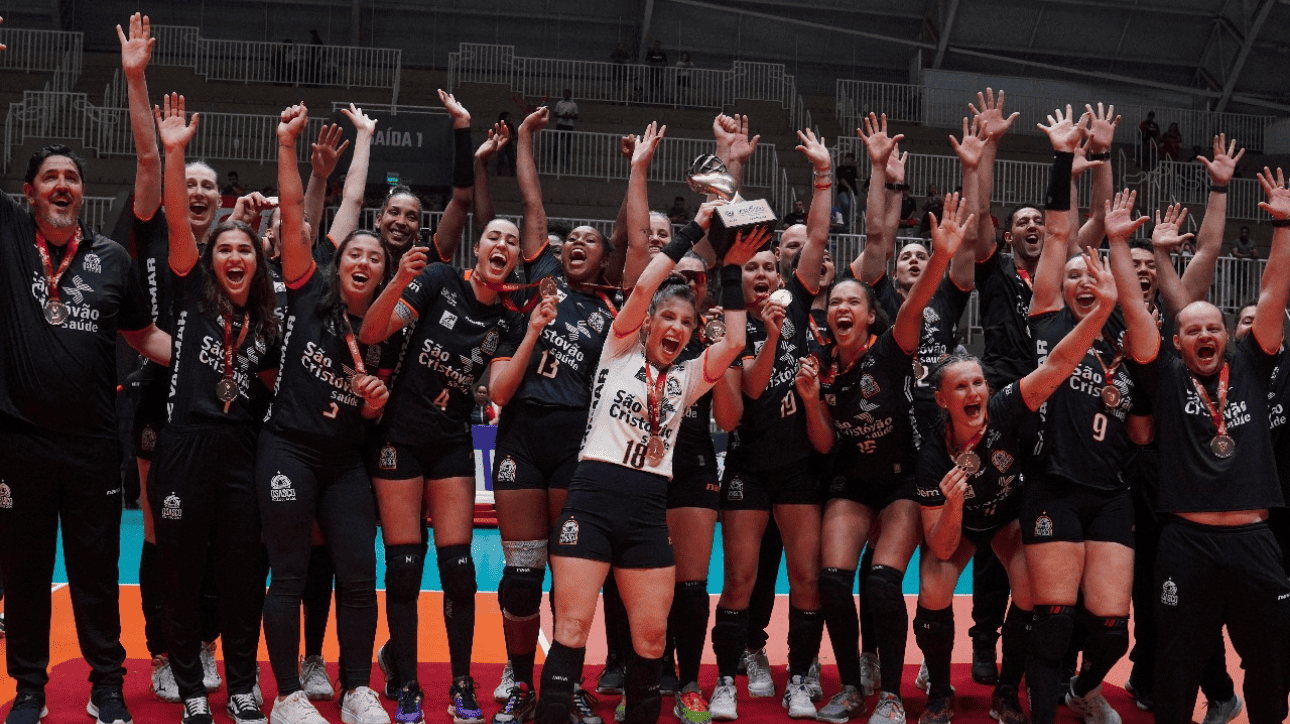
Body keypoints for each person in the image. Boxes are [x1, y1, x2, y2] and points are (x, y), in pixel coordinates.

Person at [530, 135, 760, 724]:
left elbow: (734, 343)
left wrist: (730, 271)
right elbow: (639, 284)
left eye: (686, 322)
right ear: (650, 320)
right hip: (594, 495)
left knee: (652, 642)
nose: (677, 328)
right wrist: (697, 227)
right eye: (668, 317)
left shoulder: (686, 380)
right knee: (574, 629)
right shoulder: (618, 349)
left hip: (647, 506)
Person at [359, 185, 546, 721]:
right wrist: (399, 279)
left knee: (460, 568)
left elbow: (501, 389)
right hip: (400, 436)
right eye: (494, 236)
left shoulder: (508, 319)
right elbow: (374, 331)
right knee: (403, 565)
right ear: (479, 247)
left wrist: (532, 330)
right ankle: (410, 684)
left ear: (513, 259)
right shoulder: (439, 280)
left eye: (511, 241)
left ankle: (462, 683)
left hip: (450, 445)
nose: (503, 245)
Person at [0, 135, 170, 724]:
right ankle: (28, 689)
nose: (62, 185)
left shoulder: (111, 259)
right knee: (23, 571)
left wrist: (212, 357)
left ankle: (107, 687)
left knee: (96, 572)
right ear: (27, 193)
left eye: (71, 176)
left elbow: (143, 336)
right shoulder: (11, 239)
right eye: (50, 177)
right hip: (20, 443)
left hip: (95, 445)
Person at [1114, 166, 1290, 724]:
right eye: (1192, 330)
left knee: (1269, 664)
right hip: (1186, 544)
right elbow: (1136, 312)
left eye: (1213, 326)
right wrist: (1120, 243)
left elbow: (1273, 291)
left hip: (1254, 541)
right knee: (1177, 664)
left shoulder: (1253, 365)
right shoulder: (1163, 375)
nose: (1206, 335)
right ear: (1177, 341)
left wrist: (1284, 225)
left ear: (1228, 335)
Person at [915, 246, 1118, 724]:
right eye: (961, 387)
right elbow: (942, 548)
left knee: (1029, 588)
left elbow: (1056, 366)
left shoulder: (1005, 406)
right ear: (942, 400)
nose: (974, 393)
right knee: (933, 584)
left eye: (978, 384)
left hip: (1006, 517)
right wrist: (951, 505)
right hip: (962, 522)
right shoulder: (932, 456)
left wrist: (1102, 312)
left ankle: (1008, 691)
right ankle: (941, 691)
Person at [485, 109, 633, 724]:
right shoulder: (540, 280)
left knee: (570, 579)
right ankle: (521, 685)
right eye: (570, 238)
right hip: (522, 436)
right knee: (522, 575)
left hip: (579, 446)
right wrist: (523, 140)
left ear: (604, 261)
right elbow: (533, 203)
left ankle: (564, 684)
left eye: (589, 241)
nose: (575, 243)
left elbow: (633, 241)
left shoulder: (614, 306)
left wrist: (635, 171)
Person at [806, 195, 972, 724]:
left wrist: (941, 256)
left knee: (880, 583)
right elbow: (828, 444)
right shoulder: (822, 366)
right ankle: (853, 685)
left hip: (902, 482)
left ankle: (894, 697)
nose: (842, 309)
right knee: (832, 580)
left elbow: (914, 306)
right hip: (852, 483)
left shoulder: (890, 350)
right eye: (835, 303)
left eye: (853, 302)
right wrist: (812, 401)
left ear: (868, 314)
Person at [154, 92, 280, 724]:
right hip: (185, 446)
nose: (235, 257)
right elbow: (179, 220)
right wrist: (174, 153)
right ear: (210, 259)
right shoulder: (190, 296)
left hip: (241, 452)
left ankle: (239, 685)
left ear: (257, 263)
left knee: (239, 577)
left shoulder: (265, 323)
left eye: (245, 251)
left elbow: (274, 383)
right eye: (225, 249)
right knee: (181, 574)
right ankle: (192, 692)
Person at [709, 128, 834, 722]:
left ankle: (801, 679)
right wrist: (774, 338)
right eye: (751, 268)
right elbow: (753, 391)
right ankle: (728, 681)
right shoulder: (736, 322)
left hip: (800, 469)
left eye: (769, 268)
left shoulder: (802, 304)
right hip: (749, 468)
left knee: (807, 577)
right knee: (739, 579)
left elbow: (815, 237)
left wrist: (823, 177)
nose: (762, 275)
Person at [1021, 188, 1153, 724]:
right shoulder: (1047, 320)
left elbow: (1141, 435)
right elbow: (1057, 236)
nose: (1081, 281)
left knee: (1111, 632)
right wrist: (1065, 164)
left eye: (1092, 275)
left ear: (1109, 286)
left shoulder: (1126, 343)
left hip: (1110, 495)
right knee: (1053, 619)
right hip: (1052, 488)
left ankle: (1082, 688)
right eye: (1073, 274)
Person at [836, 153, 858, 230]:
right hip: (843, 191)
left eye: (851, 159)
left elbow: (858, 176)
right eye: (849, 158)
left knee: (853, 208)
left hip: (853, 192)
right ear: (845, 159)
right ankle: (846, 222)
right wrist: (848, 187)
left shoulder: (853, 169)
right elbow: (841, 179)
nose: (850, 160)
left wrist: (855, 166)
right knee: (845, 204)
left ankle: (850, 225)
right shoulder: (840, 168)